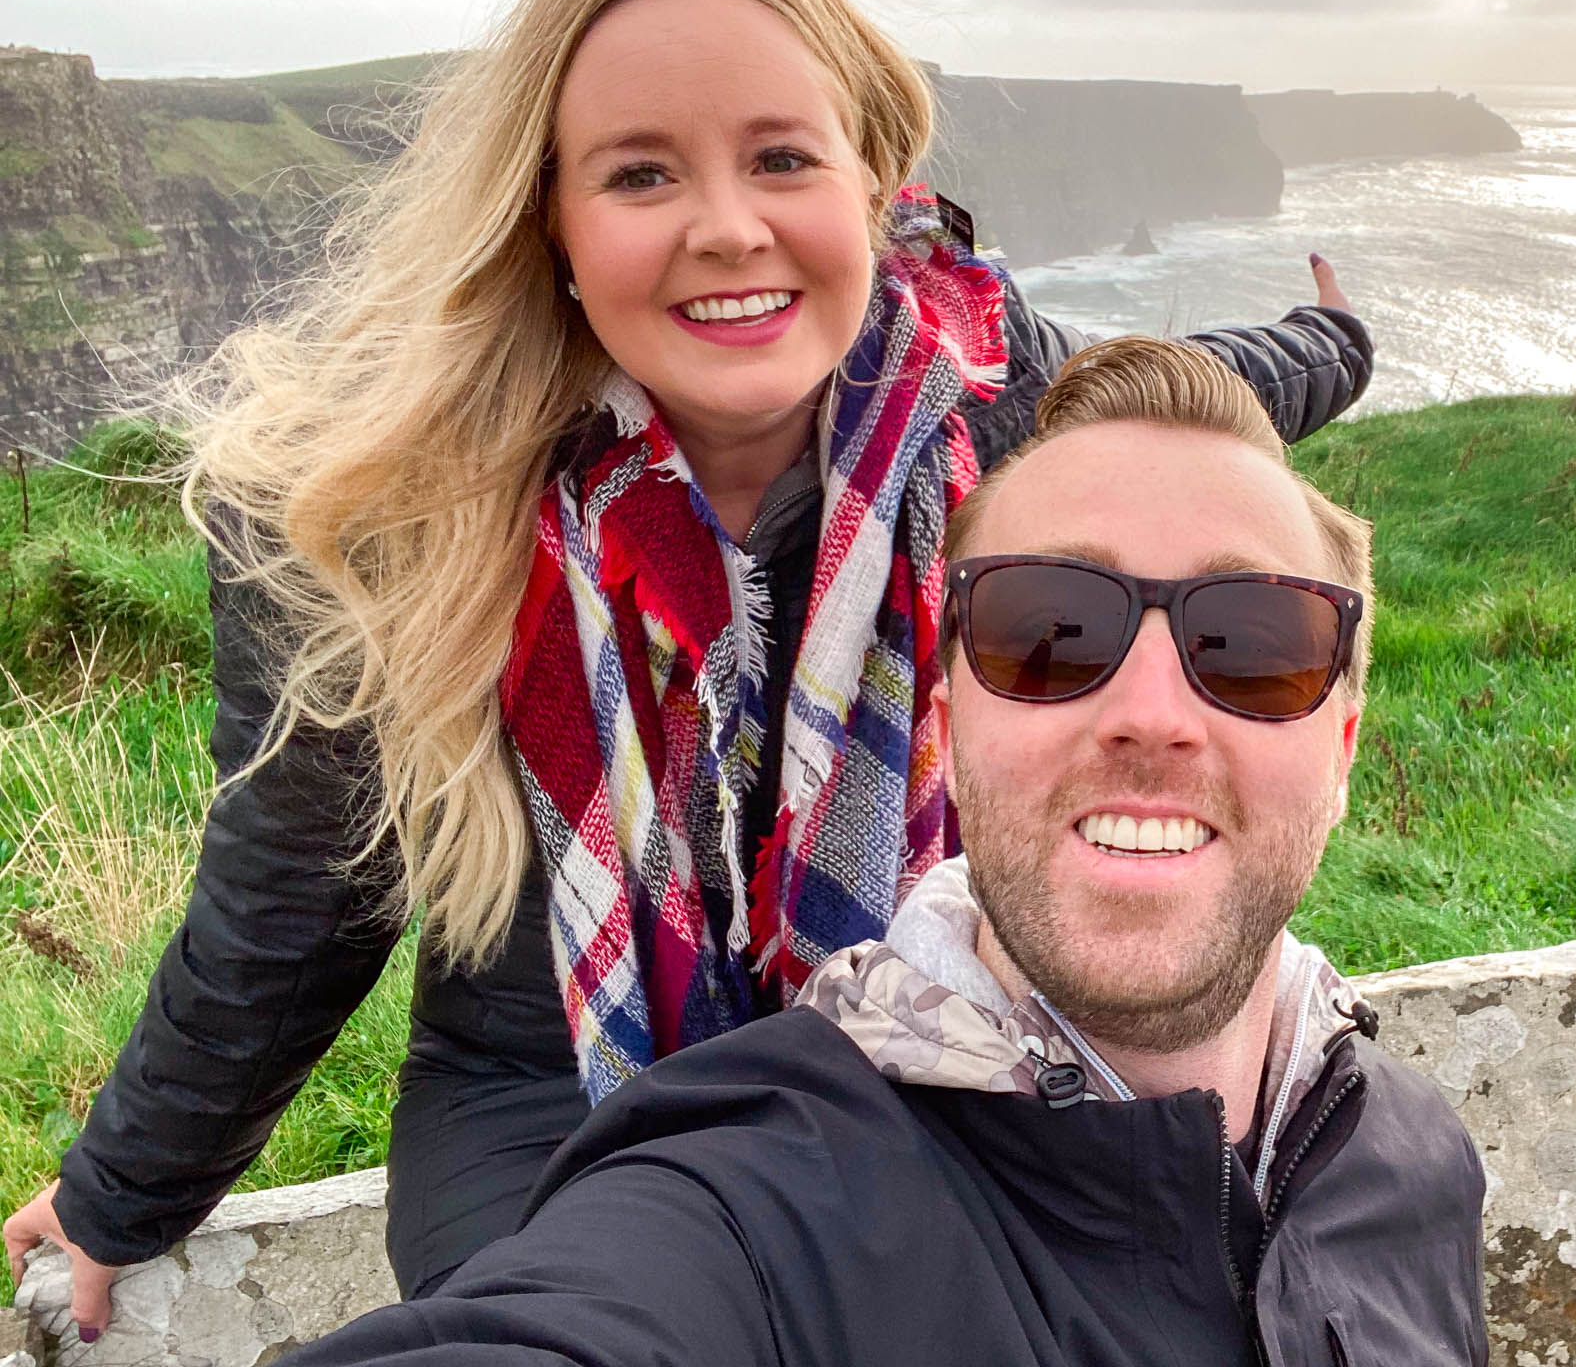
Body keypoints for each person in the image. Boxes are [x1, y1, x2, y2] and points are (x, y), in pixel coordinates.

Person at [4, 0, 1373, 1335]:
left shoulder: (982, 390)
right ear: (553, 222)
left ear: (873, 184)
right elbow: (295, 904)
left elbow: (1194, 387)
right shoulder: (394, 518)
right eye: (642, 175)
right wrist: (120, 1196)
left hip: (942, 1044)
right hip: (554, 1100)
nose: (728, 230)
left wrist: (1332, 340)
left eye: (782, 158)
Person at [276, 334, 1488, 1367]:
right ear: (952, 719)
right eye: (1050, 631)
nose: (1151, 711)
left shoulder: (1407, 1158)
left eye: (1254, 640)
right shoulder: (764, 1201)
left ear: (1342, 743)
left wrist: (1335, 332)